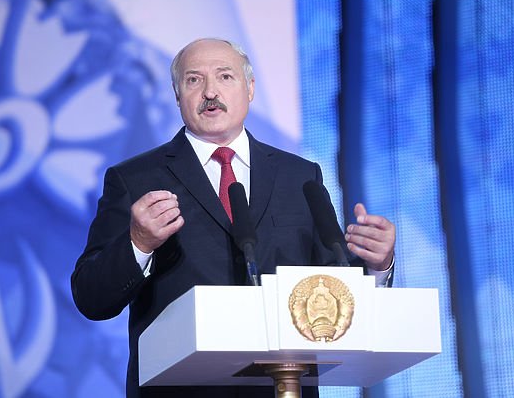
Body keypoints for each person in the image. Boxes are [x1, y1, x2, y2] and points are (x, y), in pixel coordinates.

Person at [71, 38, 395, 398]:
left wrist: (376, 265)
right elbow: (91, 297)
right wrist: (138, 244)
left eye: (225, 76)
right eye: (194, 80)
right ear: (177, 95)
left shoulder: (300, 176)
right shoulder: (135, 179)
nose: (210, 91)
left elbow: (330, 284)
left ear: (250, 88)